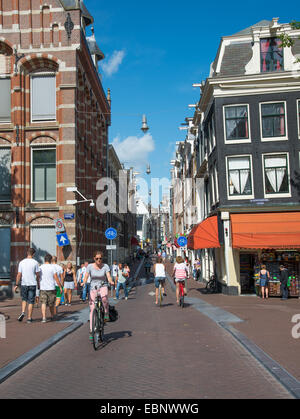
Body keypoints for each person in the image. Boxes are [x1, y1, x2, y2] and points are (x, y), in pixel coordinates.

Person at [82, 251, 114, 341]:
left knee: (104, 299)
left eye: (100, 258)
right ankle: (91, 330)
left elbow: (108, 276)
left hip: (103, 285)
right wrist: (83, 282)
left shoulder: (105, 266)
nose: (99, 260)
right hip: (93, 287)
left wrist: (111, 281)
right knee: (92, 309)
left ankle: (106, 312)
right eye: (97, 258)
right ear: (94, 258)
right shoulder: (90, 267)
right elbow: (86, 276)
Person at [15, 248, 40, 323]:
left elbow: (19, 274)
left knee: (24, 299)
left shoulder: (22, 262)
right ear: (33, 254)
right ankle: (29, 318)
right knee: (31, 301)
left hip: (24, 284)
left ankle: (23, 312)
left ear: (27, 253)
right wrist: (38, 284)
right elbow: (37, 275)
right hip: (32, 283)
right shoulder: (35, 263)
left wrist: (16, 284)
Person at [39, 254, 62, 322]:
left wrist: (38, 284)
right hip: (51, 287)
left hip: (43, 287)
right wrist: (60, 286)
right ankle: (52, 315)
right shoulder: (52, 267)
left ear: (44, 259)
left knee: (43, 303)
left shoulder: (41, 267)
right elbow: (56, 278)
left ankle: (44, 317)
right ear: (50, 260)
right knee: (51, 303)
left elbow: (38, 276)